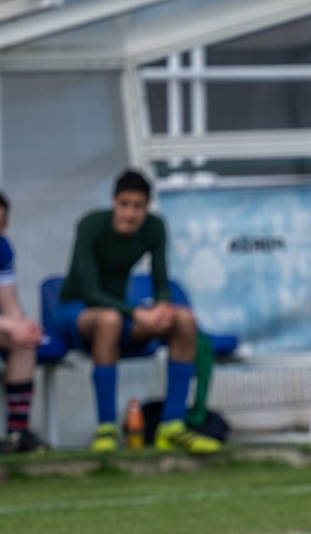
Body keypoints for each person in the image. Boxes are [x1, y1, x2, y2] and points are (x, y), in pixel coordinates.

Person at [53, 170, 221, 454]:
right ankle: (106, 428)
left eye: (138, 206)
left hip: (121, 315)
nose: (130, 213)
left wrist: (161, 307)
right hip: (77, 311)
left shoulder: (155, 227)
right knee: (109, 319)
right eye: (124, 204)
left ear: (147, 207)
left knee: (183, 318)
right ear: (113, 201)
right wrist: (138, 313)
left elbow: (161, 279)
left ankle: (172, 426)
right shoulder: (91, 225)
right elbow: (90, 289)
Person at [0, 191, 48, 453]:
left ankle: (16, 434)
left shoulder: (3, 247)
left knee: (24, 343)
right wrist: (10, 326)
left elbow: (8, 300)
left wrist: (24, 326)